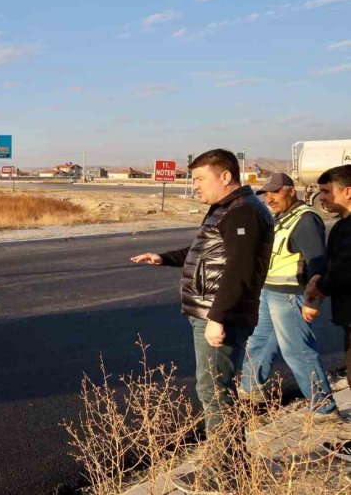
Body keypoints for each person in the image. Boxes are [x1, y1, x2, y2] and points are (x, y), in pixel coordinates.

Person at [131, 149, 274, 492]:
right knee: (215, 389)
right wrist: (163, 257)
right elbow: (207, 252)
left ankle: (224, 473)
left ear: (225, 176)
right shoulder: (229, 209)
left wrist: (217, 317)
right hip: (215, 313)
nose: (194, 185)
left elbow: (239, 270)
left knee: (214, 391)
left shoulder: (243, 211)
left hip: (221, 316)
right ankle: (233, 466)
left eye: (199, 178)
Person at [238, 173, 339, 420]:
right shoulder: (282, 217)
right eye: (266, 194)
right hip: (270, 291)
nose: (269, 198)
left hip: (290, 296)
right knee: (259, 342)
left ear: (291, 191)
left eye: (275, 192)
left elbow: (317, 262)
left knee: (298, 351)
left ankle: (324, 409)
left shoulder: (306, 220)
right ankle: (251, 390)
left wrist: (313, 300)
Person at [304, 164, 351, 377]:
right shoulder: (342, 225)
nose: (321, 197)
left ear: (347, 191)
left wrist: (318, 289)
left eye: (326, 191)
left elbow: (344, 268)